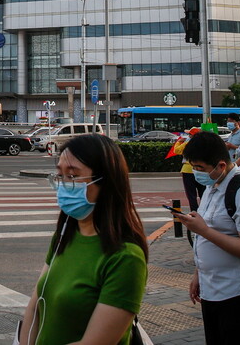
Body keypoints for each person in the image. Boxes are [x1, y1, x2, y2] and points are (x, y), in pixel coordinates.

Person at [19, 134, 147, 344]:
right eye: (59, 176)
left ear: (105, 182)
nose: (62, 186)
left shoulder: (126, 258)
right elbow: (34, 308)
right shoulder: (64, 237)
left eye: (72, 177)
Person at [176, 131, 240, 344]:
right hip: (211, 288)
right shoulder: (212, 186)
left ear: (221, 165)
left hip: (238, 292)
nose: (197, 174)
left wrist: (204, 231)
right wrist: (198, 273)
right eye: (194, 167)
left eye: (201, 169)